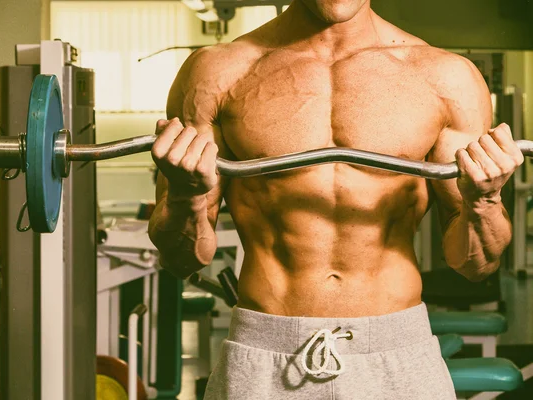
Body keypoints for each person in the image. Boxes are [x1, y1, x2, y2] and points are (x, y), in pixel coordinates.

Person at [148, 1, 523, 398]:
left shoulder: (446, 77)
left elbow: (474, 266)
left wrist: (483, 202)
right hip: (265, 350)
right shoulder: (217, 72)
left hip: (396, 351)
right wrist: (187, 197)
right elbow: (181, 260)